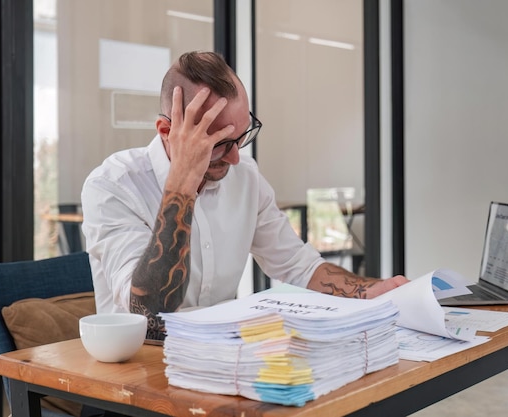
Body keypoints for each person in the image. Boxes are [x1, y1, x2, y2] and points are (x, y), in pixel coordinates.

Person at [81, 51, 408, 340]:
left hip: (224, 361)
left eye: (241, 137)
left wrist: (371, 292)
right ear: (168, 132)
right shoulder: (113, 185)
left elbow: (297, 265)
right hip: (135, 376)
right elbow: (147, 311)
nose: (235, 157)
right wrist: (182, 184)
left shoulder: (245, 175)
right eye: (219, 144)